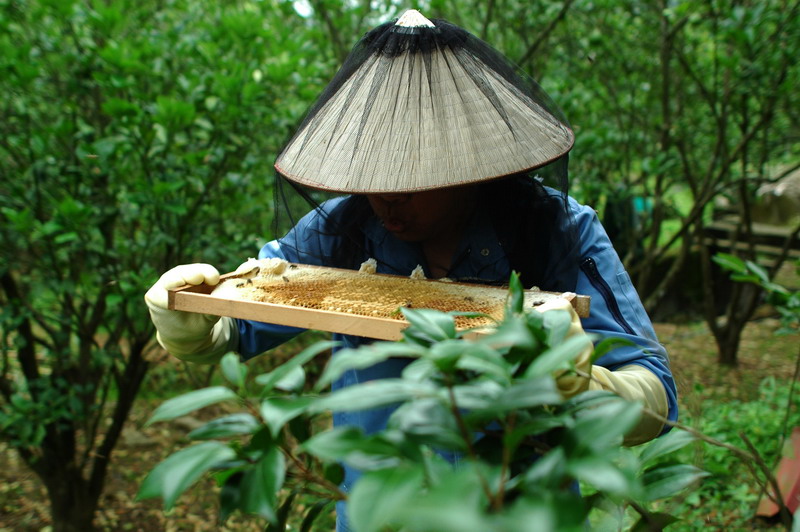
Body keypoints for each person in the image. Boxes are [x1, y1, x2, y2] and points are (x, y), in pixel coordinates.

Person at [145, 10, 677, 531]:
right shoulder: (337, 230)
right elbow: (240, 325)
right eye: (374, 177)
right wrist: (190, 323)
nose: (385, 202)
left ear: (466, 164)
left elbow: (657, 398)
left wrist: (581, 385)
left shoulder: (556, 229)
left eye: (410, 181)